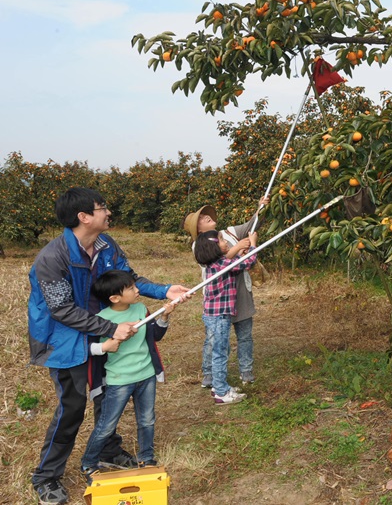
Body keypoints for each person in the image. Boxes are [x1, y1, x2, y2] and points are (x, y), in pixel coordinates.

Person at [28, 187, 189, 505]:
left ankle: (108, 450)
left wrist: (165, 290)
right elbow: (62, 311)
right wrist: (111, 328)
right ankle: (46, 477)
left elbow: (128, 278)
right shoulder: (52, 258)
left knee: (106, 390)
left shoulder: (105, 245)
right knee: (72, 407)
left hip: (100, 330)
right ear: (84, 217)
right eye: (102, 207)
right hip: (64, 339)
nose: (108, 212)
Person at [80, 270, 177, 483]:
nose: (137, 290)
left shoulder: (141, 309)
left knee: (147, 419)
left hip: (146, 375)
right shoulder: (102, 320)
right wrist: (108, 345)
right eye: (131, 288)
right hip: (120, 380)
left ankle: (146, 459)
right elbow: (89, 347)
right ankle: (88, 463)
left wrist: (164, 316)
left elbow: (156, 336)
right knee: (107, 425)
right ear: (114, 298)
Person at [182, 198, 268, 387]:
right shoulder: (200, 246)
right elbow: (217, 264)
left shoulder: (228, 232)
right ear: (198, 229)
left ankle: (246, 370)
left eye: (206, 215)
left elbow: (252, 224)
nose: (207, 217)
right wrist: (239, 249)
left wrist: (261, 207)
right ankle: (209, 373)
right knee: (214, 339)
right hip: (219, 298)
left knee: (245, 334)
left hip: (239, 291)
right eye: (202, 218)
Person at [193, 229, 259, 404]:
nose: (225, 242)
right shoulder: (221, 265)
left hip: (215, 315)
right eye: (222, 240)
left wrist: (239, 253)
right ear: (213, 247)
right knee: (220, 353)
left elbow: (236, 264)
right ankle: (221, 392)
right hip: (219, 317)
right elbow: (248, 263)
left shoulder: (218, 263)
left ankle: (218, 385)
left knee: (221, 350)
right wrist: (253, 245)